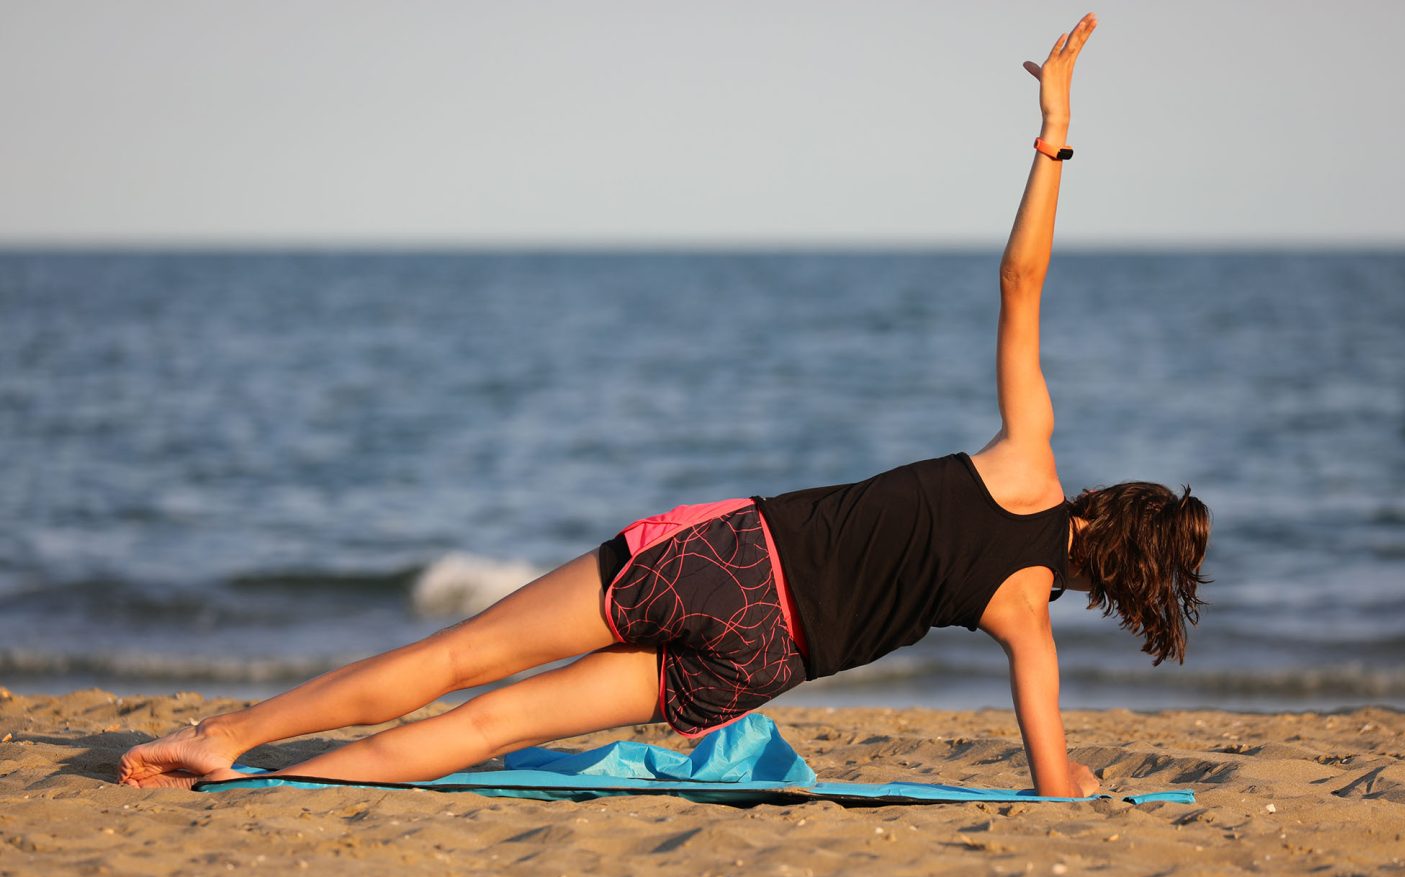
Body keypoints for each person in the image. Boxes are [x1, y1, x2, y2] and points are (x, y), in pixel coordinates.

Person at [119, 12, 1209, 799]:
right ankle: (280, 788)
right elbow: (1055, 777)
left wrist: (1053, 132)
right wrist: (1083, 779)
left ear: (1108, 501)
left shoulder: (1028, 457)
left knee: (461, 658)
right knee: (492, 724)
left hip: (728, 559)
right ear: (1112, 579)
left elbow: (1021, 282)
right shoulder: (1028, 615)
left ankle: (232, 738)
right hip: (754, 662)